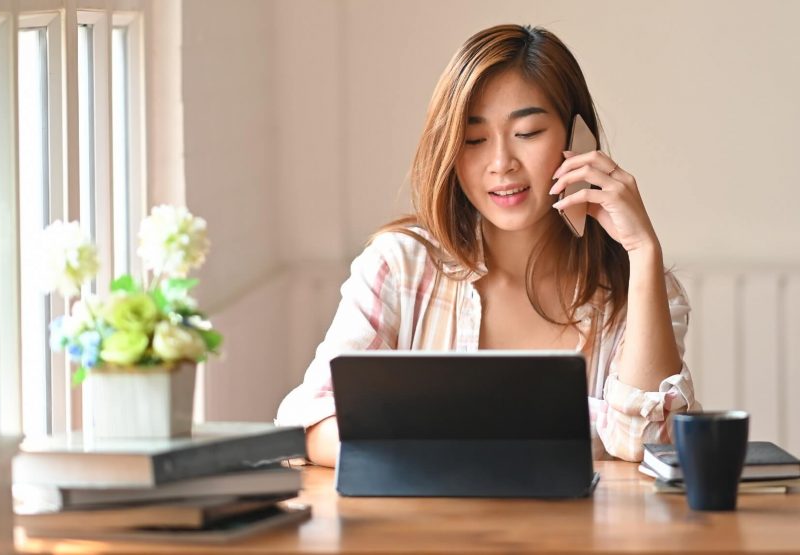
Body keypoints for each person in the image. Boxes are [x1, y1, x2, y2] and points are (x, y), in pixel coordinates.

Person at [275, 24, 698, 466]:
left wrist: (644, 251)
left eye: (529, 132)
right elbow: (307, 423)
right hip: (429, 533)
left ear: (578, 139)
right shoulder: (400, 267)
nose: (501, 164)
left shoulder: (641, 291)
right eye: (475, 140)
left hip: (576, 535)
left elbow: (648, 443)